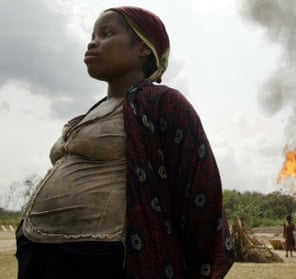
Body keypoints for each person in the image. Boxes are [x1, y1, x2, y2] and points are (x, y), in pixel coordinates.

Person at [15, 6, 234, 279]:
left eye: (107, 33)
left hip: (102, 259)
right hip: (39, 252)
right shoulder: (89, 114)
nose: (93, 42)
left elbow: (200, 190)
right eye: (92, 34)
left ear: (143, 48)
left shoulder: (163, 103)